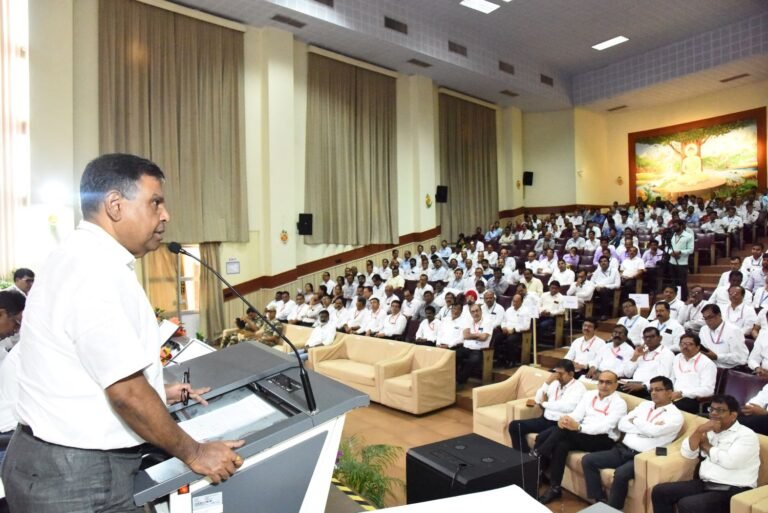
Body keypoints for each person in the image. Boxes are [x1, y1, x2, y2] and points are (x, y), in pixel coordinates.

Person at [3, 154, 243, 513]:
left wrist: (158, 392)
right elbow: (127, 394)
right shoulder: (96, 270)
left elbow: (79, 368)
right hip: (82, 478)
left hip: (41, 459)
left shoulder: (71, 255)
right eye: (155, 202)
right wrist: (196, 452)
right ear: (115, 205)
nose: (166, 215)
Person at [582, 376, 683, 509]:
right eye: (652, 389)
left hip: (640, 457)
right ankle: (599, 500)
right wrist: (645, 428)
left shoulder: (675, 416)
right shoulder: (645, 404)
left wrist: (635, 421)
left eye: (658, 389)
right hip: (621, 449)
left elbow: (653, 432)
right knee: (588, 460)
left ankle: (612, 509)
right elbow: (622, 424)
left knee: (621, 474)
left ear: (670, 392)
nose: (653, 393)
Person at [651, 395, 759, 513]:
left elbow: (730, 461)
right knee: (660, 492)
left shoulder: (746, 435)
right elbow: (688, 453)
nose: (713, 413)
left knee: (688, 505)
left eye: (720, 410)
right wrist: (699, 431)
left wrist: (707, 446)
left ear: (733, 415)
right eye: (711, 409)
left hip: (732, 488)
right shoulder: (708, 428)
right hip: (706, 483)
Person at [537, 371, 628, 504]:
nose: (604, 385)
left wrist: (579, 428)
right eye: (601, 381)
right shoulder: (589, 395)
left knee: (563, 432)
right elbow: (577, 414)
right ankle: (555, 488)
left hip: (604, 440)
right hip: (583, 434)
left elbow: (606, 426)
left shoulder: (619, 403)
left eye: (608, 382)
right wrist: (567, 419)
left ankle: (538, 454)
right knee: (561, 444)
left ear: (616, 385)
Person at [509, 359, 585, 453]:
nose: (557, 376)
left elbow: (568, 407)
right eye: (556, 373)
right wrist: (547, 382)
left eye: (561, 374)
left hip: (559, 425)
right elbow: (537, 399)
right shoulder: (554, 383)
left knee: (541, 438)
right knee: (515, 426)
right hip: (545, 419)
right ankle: (523, 457)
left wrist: (545, 404)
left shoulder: (579, 387)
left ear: (571, 374)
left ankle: (533, 460)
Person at [621, 326, 675, 398]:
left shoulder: (667, 354)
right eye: (645, 337)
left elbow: (663, 377)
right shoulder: (642, 351)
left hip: (650, 389)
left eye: (652, 337)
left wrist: (643, 386)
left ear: (660, 338)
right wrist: (635, 357)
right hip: (633, 384)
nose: (648, 339)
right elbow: (627, 374)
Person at [671, 333, 717, 413]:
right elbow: (672, 378)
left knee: (669, 409)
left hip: (692, 399)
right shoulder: (677, 357)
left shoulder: (707, 364)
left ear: (698, 347)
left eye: (690, 344)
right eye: (682, 344)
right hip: (673, 394)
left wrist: (682, 393)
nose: (685, 347)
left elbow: (708, 390)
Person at [699, 303, 748, 369]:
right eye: (705, 318)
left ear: (719, 315)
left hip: (728, 371)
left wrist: (717, 357)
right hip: (707, 367)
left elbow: (741, 357)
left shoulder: (733, 330)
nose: (707, 321)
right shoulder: (703, 330)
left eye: (710, 317)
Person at [665, 221, 693, 300]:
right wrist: (671, 253)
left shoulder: (688, 236)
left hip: (682, 263)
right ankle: (674, 298)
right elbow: (667, 247)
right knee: (673, 282)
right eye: (673, 226)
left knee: (682, 283)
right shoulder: (672, 235)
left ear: (681, 226)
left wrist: (680, 252)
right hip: (672, 261)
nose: (674, 228)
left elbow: (691, 250)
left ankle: (684, 299)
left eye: (675, 226)